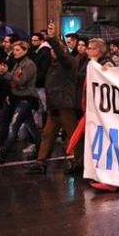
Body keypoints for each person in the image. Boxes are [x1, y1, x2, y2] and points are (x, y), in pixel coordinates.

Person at [27, 23, 83, 175]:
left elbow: (62, 55)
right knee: (47, 134)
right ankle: (41, 162)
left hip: (65, 104)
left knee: (73, 134)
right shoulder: (54, 64)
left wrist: (52, 39)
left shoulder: (69, 62)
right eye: (51, 51)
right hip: (54, 105)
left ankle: (78, 162)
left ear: (63, 50)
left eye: (55, 50)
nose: (53, 53)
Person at [0, 40, 39, 163]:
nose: (15, 52)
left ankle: (2, 153)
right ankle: (41, 149)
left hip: (26, 99)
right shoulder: (18, 64)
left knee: (14, 126)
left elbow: (20, 81)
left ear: (25, 51)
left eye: (18, 50)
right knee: (31, 127)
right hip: (18, 97)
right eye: (14, 50)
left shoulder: (29, 65)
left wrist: (5, 73)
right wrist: (5, 74)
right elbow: (13, 82)